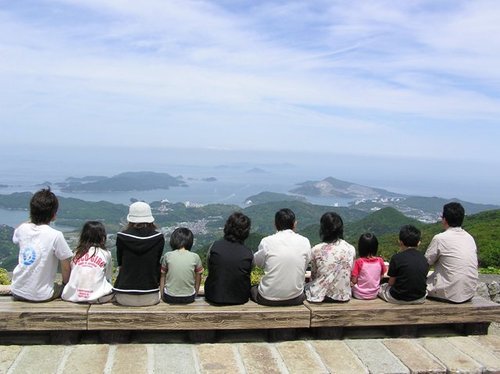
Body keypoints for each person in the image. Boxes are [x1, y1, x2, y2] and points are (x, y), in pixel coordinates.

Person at [11, 188, 73, 302]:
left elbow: (16, 238)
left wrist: (33, 217)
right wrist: (65, 284)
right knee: (58, 287)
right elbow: (66, 265)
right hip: (41, 295)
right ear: (54, 215)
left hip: (16, 290)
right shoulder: (55, 235)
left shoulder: (22, 229)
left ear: (31, 211)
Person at [251, 208, 311, 306]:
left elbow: (256, 263)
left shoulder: (267, 242)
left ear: (275, 224)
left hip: (267, 298)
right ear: (294, 224)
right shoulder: (305, 241)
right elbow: (307, 261)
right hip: (296, 298)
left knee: (253, 288)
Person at [113, 202, 164, 306]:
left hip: (123, 296)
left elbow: (120, 263)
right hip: (150, 296)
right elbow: (156, 262)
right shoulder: (158, 238)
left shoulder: (122, 237)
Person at [425, 202, 478, 303]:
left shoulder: (440, 238)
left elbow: (425, 264)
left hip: (448, 294)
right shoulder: (469, 238)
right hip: (468, 292)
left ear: (444, 219)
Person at [204, 212, 253, 305]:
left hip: (213, 296)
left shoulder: (214, 246)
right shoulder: (248, 252)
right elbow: (248, 272)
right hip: (240, 298)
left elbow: (210, 267)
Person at [305, 212, 355, 302]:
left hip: (320, 295)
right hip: (343, 296)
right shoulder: (350, 249)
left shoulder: (316, 249)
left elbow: (314, 275)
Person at [62, 221, 114, 303]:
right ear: (102, 237)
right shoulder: (106, 254)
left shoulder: (77, 253)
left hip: (72, 295)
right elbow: (108, 277)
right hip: (96, 297)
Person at [378, 225, 429, 304]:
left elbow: (391, 283)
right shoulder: (424, 258)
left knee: (381, 287)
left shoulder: (396, 258)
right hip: (420, 297)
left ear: (400, 242)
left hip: (398, 297)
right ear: (418, 243)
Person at [160, 227, 204, 304]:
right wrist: (195, 293)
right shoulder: (195, 256)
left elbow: (162, 276)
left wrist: (162, 295)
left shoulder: (168, 255)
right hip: (189, 297)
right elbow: (198, 277)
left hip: (170, 297)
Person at [351, 233, 386, 300]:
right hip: (374, 294)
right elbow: (381, 277)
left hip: (359, 294)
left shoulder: (359, 262)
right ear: (376, 247)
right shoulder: (380, 261)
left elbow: (354, 280)